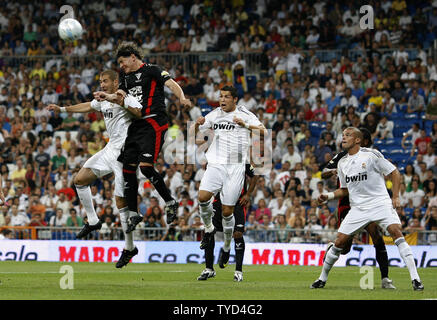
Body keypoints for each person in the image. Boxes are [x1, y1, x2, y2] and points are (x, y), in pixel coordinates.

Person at [47, 69, 143, 268]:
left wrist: (120, 100)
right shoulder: (103, 99)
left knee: (120, 202)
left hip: (125, 153)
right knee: (79, 180)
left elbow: (139, 112)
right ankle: (92, 220)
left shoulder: (124, 96)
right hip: (110, 149)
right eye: (100, 81)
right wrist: (62, 109)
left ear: (116, 81)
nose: (102, 85)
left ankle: (129, 247)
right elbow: (87, 107)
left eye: (105, 81)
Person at [93, 42, 191, 233]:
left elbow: (171, 84)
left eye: (123, 62)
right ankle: (133, 213)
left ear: (133, 57)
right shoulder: (125, 78)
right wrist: (107, 96)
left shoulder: (153, 70)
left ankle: (170, 202)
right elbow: (120, 95)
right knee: (127, 169)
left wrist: (181, 98)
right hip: (137, 124)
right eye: (119, 63)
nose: (121, 66)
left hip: (154, 121)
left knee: (146, 167)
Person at [311, 127, 424, 291]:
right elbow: (345, 189)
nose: (343, 138)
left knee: (395, 231)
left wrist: (396, 196)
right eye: (343, 135)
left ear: (357, 140)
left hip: (380, 203)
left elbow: (394, 173)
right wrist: (327, 196)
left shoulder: (372, 155)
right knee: (340, 243)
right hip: (358, 208)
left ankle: (415, 279)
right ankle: (321, 279)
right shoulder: (342, 162)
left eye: (348, 135)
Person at [192, 85, 266, 274]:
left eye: (226, 97)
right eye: (220, 97)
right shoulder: (214, 114)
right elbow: (196, 137)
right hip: (216, 164)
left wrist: (245, 125)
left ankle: (226, 246)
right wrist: (195, 124)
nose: (222, 100)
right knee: (202, 197)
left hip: (236, 168)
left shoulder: (245, 114)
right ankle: (208, 229)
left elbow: (263, 132)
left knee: (227, 212)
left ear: (235, 99)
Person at [320, 127, 395, 289]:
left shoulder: (370, 156)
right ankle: (332, 249)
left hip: (367, 203)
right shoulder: (342, 157)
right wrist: (334, 171)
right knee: (344, 248)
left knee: (376, 236)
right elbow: (323, 173)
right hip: (346, 203)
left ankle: (385, 278)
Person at [197, 164, 259, 282]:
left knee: (238, 234)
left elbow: (255, 175)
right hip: (218, 202)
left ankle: (238, 271)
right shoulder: (216, 159)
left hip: (237, 203)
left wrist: (248, 194)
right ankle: (209, 269)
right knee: (210, 230)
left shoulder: (242, 161)